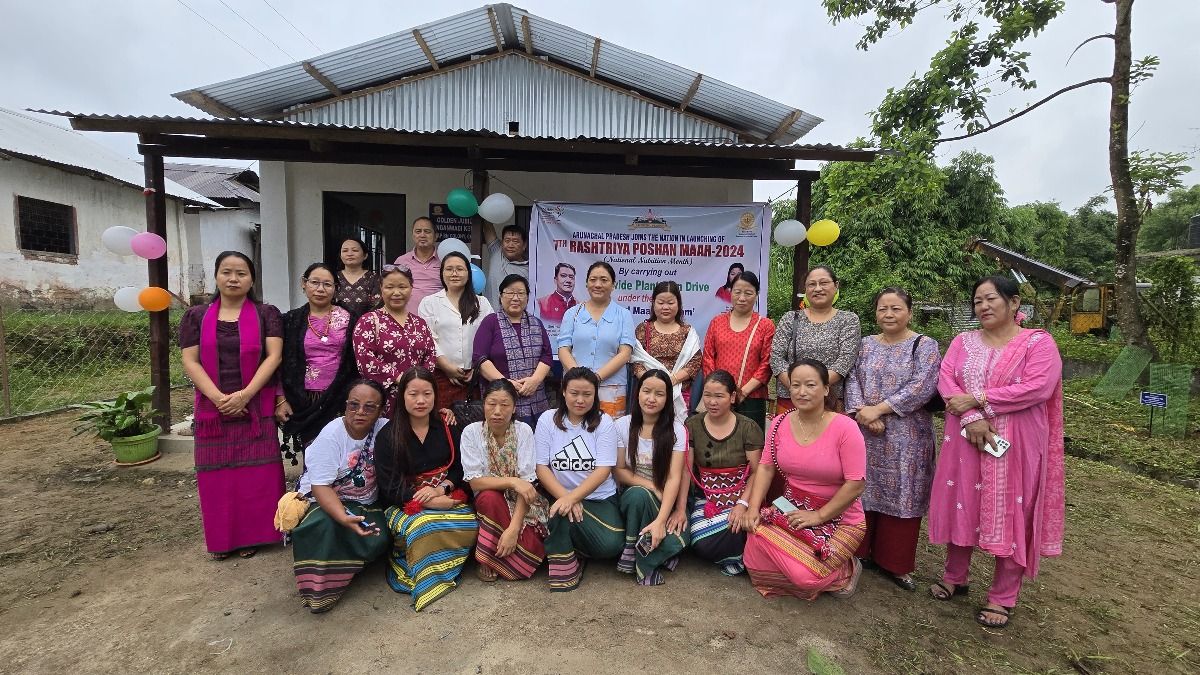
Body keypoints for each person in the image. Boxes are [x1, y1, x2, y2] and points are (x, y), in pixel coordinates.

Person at [927, 276, 1064, 629]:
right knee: (963, 501)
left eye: (991, 299)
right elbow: (946, 381)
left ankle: (1003, 596)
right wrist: (971, 416)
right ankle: (956, 576)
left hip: (1017, 441)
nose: (984, 307)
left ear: (1014, 303)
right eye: (977, 301)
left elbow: (1038, 387)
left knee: (1014, 507)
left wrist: (981, 398)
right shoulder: (963, 342)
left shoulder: (1038, 343)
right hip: (965, 437)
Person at [179, 251, 284, 560]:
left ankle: (255, 536)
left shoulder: (267, 314)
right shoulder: (196, 316)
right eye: (227, 272)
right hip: (213, 409)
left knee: (257, 475)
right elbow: (190, 360)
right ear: (216, 276)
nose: (234, 278)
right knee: (218, 477)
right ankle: (223, 540)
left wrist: (245, 395)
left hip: (255, 406)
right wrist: (218, 398)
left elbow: (273, 357)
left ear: (252, 279)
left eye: (241, 273)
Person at [742, 359, 868, 600]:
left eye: (810, 385)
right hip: (791, 509)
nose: (801, 391)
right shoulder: (779, 423)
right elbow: (766, 468)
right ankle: (796, 558)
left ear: (826, 389)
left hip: (840, 517)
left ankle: (845, 569)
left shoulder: (846, 427)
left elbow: (856, 483)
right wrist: (753, 507)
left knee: (805, 579)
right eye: (795, 385)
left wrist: (819, 516)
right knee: (752, 559)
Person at [844, 287, 941, 591]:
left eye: (896, 308)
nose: (888, 314)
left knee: (903, 493)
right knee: (862, 488)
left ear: (909, 312)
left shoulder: (923, 346)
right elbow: (852, 379)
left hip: (907, 436)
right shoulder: (865, 345)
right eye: (883, 308)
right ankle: (859, 553)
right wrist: (862, 412)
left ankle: (895, 563)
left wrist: (880, 411)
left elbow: (922, 387)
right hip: (866, 432)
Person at [375, 368, 478, 611]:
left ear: (435, 396)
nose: (420, 401)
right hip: (406, 503)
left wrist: (443, 489)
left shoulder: (448, 426)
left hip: (447, 495)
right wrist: (426, 502)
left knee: (473, 523)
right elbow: (390, 485)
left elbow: (461, 468)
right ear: (402, 396)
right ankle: (423, 573)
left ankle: (444, 566)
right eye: (413, 394)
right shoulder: (388, 435)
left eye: (427, 394)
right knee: (424, 526)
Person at [290, 379, 390, 613]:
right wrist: (343, 518)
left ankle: (347, 567)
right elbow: (321, 487)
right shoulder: (331, 435)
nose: (360, 412)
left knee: (377, 536)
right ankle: (320, 592)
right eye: (353, 405)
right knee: (324, 528)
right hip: (325, 499)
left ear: (380, 410)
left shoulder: (385, 428)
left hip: (365, 502)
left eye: (369, 407)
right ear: (345, 406)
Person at [535, 367, 624, 591]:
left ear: (595, 395)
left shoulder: (604, 423)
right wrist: (566, 498)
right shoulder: (548, 420)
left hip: (599, 499)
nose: (580, 400)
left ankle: (577, 546)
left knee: (612, 545)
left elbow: (603, 470)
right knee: (560, 513)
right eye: (574, 393)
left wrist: (573, 498)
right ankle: (565, 563)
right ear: (563, 391)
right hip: (559, 494)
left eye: (587, 394)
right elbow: (541, 467)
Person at [461, 379, 549, 582]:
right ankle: (486, 558)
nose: (497, 411)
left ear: (514, 407)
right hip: (489, 505)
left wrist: (513, 528)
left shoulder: (523, 431)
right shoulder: (471, 433)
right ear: (483, 404)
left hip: (522, 503)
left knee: (530, 548)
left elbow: (527, 485)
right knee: (489, 497)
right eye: (491, 404)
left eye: (505, 405)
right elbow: (475, 482)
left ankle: (502, 557)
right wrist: (513, 482)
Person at [681, 370, 764, 576]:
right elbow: (686, 471)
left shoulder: (748, 427)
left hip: (743, 497)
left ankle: (744, 549)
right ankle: (743, 552)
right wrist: (681, 508)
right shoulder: (692, 425)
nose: (712, 402)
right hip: (708, 498)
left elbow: (756, 472)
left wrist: (743, 505)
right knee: (699, 541)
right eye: (707, 395)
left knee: (741, 524)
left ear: (732, 397)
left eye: (719, 396)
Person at [613, 369, 689, 585]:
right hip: (632, 497)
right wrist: (652, 486)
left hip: (665, 499)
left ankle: (638, 548)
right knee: (639, 495)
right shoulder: (621, 426)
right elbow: (619, 470)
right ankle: (638, 557)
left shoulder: (677, 431)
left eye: (659, 394)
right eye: (646, 391)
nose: (651, 399)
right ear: (637, 393)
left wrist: (662, 519)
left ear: (667, 399)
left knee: (681, 535)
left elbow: (675, 477)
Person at [278, 263, 360, 459]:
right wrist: (280, 399)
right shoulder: (290, 321)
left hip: (341, 397)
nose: (320, 289)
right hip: (305, 399)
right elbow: (279, 363)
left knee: (344, 454)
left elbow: (356, 361)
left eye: (327, 284)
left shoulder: (350, 319)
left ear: (335, 288)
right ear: (304, 284)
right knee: (314, 453)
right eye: (314, 283)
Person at [771, 266, 860, 414]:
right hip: (791, 399)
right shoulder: (790, 318)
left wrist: (814, 388)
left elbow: (845, 360)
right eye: (812, 284)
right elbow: (776, 358)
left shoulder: (848, 320)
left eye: (824, 283)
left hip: (830, 400)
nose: (818, 288)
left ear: (836, 285)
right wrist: (797, 388)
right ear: (806, 289)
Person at [352, 264, 437, 417]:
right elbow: (365, 359)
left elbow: (430, 356)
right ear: (381, 288)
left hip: (417, 399)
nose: (396, 293)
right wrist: (400, 378)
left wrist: (418, 383)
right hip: (383, 399)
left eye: (402, 287)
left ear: (411, 288)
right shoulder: (368, 321)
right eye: (389, 287)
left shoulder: (420, 323)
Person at [557, 262, 636, 418]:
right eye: (593, 280)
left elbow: (625, 354)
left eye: (604, 280)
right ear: (586, 284)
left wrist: (595, 378)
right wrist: (578, 378)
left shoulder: (623, 315)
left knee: (610, 434)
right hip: (575, 388)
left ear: (613, 285)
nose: (598, 284)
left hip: (612, 388)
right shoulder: (572, 313)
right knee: (575, 432)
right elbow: (563, 349)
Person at [473, 274, 553, 427]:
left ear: (527, 297)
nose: (515, 298)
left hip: (536, 400)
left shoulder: (536, 323)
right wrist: (505, 383)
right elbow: (480, 358)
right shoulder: (490, 322)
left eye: (521, 293)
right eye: (510, 292)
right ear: (501, 296)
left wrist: (535, 381)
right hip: (501, 401)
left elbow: (547, 355)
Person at [418, 252, 494, 405]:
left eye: (460, 269)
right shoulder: (429, 303)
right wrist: (446, 367)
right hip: (440, 374)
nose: (454, 273)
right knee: (443, 421)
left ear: (468, 273)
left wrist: (478, 367)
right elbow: (427, 339)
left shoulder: (482, 303)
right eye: (449, 269)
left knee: (473, 421)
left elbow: (490, 337)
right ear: (442, 273)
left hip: (475, 377)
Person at [701, 271, 775, 429]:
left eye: (748, 293)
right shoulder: (717, 322)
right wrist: (719, 390)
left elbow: (767, 363)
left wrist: (744, 392)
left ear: (756, 295)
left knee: (751, 446)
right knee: (718, 444)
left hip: (752, 397)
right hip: (719, 397)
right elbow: (708, 357)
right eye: (737, 292)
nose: (742, 298)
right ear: (730, 293)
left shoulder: (765, 325)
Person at [630, 281, 702, 420]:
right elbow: (635, 361)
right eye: (661, 302)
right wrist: (653, 383)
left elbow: (695, 362)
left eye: (670, 302)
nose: (665, 307)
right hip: (648, 394)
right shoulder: (643, 329)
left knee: (676, 435)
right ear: (653, 303)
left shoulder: (688, 331)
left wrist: (671, 381)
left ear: (678, 304)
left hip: (679, 393)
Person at [392, 217, 441, 310]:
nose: (422, 235)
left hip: (438, 317)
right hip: (407, 318)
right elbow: (393, 289)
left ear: (436, 236)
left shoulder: (444, 260)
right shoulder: (401, 261)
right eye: (418, 231)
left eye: (427, 231)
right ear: (413, 235)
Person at [483, 223, 529, 307]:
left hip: (514, 318)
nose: (510, 245)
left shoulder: (530, 270)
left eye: (515, 241)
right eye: (507, 241)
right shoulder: (497, 252)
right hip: (490, 318)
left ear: (524, 245)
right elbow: (487, 226)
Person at [333, 237, 380, 316]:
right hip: (337, 326)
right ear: (340, 256)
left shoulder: (374, 278)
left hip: (366, 325)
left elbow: (378, 306)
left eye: (355, 250)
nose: (349, 254)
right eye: (345, 251)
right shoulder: (333, 277)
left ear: (365, 255)